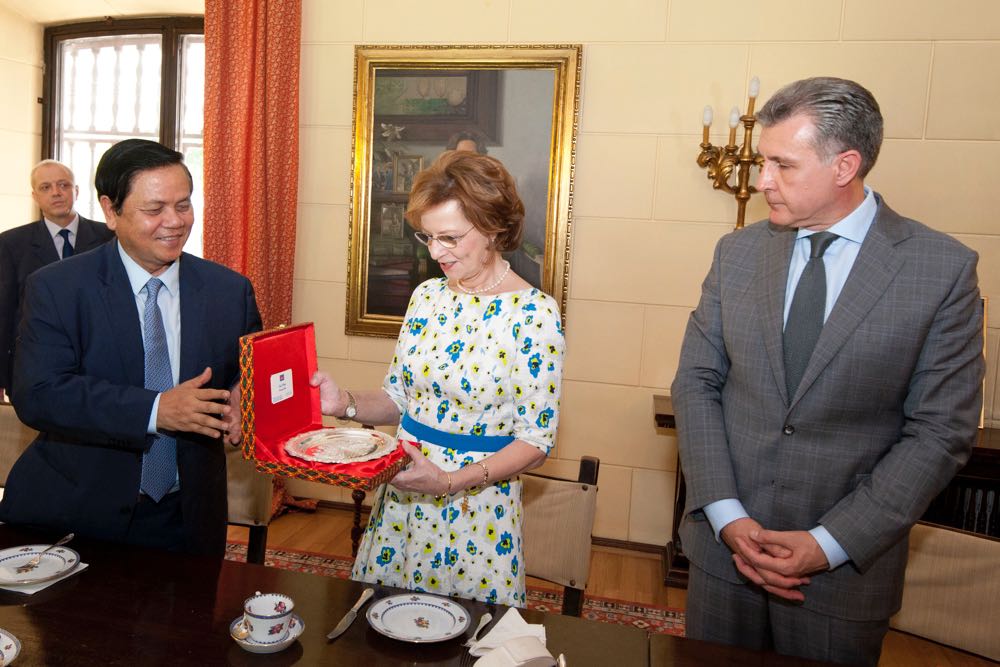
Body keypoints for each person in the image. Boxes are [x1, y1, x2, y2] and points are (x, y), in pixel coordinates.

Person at [672, 77, 984, 666]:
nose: (762, 180)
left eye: (782, 165)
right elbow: (696, 382)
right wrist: (727, 516)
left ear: (846, 165)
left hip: (842, 578)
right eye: (764, 162)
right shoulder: (736, 254)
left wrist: (828, 543)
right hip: (722, 560)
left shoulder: (938, 270)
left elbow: (940, 431)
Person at [312, 150, 564, 607]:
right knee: (380, 631)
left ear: (493, 228)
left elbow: (535, 441)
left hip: (477, 508)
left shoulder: (534, 314)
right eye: (427, 237)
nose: (435, 252)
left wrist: (450, 481)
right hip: (404, 497)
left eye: (449, 237)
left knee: (466, 637)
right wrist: (343, 402)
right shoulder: (426, 296)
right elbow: (399, 399)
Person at [0, 139, 262, 556]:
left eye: (183, 205)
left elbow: (244, 375)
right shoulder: (58, 287)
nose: (174, 222)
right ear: (110, 210)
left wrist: (241, 396)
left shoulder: (229, 291)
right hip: (77, 515)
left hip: (187, 520)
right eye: (154, 209)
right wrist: (156, 410)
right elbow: (38, 395)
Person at [0, 160, 115, 399]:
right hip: (36, 364)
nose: (56, 192)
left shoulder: (110, 237)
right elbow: (4, 312)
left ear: (76, 190)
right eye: (45, 187)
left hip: (101, 364)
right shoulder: (11, 244)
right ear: (34, 196)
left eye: (63, 185)